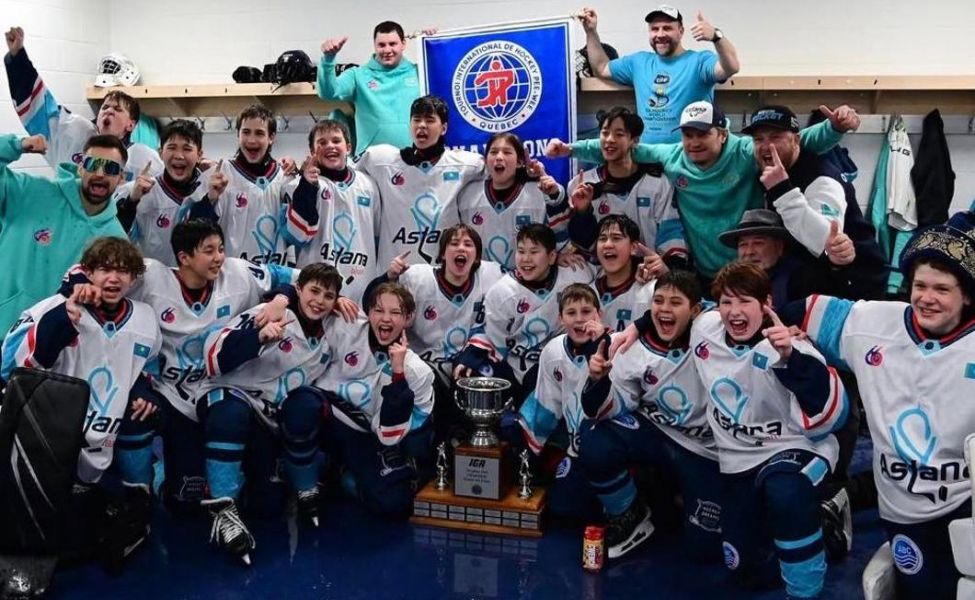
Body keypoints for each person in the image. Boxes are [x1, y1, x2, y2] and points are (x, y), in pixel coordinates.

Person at [784, 211, 975, 600]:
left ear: (968, 295)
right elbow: (795, 311)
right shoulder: (872, 322)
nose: (927, 298)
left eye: (942, 289)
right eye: (920, 286)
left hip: (967, 502)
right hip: (904, 508)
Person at [58, 220, 297, 517]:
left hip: (213, 386)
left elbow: (294, 277)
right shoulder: (152, 278)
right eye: (209, 251)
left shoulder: (237, 273)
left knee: (215, 480)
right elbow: (82, 270)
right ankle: (139, 494)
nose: (219, 257)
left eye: (221, 248)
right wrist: (77, 285)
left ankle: (228, 486)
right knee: (178, 493)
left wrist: (281, 299)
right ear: (184, 257)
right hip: (168, 393)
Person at [550, 101, 860, 281]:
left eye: (702, 134)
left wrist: (834, 128)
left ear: (722, 134)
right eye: (688, 135)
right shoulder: (672, 156)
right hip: (701, 271)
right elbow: (619, 147)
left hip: (752, 269)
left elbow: (798, 141)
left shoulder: (746, 151)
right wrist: (571, 149)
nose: (694, 142)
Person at [2, 237, 161, 568]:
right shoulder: (53, 308)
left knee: (143, 417)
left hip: (102, 429)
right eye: (104, 269)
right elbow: (11, 369)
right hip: (47, 430)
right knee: (44, 533)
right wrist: (61, 323)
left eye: (123, 271)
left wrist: (144, 390)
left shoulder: (145, 318)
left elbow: (147, 365)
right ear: (87, 272)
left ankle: (135, 500)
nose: (113, 278)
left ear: (134, 277)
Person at [694, 262, 848, 599]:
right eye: (726, 302)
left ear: (767, 303)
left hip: (796, 449)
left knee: (786, 493)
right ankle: (823, 519)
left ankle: (804, 592)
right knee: (746, 570)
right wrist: (640, 325)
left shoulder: (791, 347)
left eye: (745, 301)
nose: (734, 311)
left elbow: (836, 415)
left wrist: (792, 359)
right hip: (738, 461)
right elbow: (684, 308)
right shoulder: (705, 327)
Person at [199, 263, 342, 563]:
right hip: (230, 396)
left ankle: (295, 484)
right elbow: (212, 356)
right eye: (314, 291)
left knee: (268, 506)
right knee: (230, 414)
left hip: (269, 417)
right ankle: (222, 508)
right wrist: (258, 338)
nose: (319, 301)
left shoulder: (331, 331)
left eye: (328, 296)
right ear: (298, 290)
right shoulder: (271, 312)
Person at [579, 270, 721, 561]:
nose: (665, 309)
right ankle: (629, 513)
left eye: (675, 302)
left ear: (696, 310)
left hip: (706, 450)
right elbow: (604, 409)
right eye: (658, 301)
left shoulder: (715, 336)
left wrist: (639, 323)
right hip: (658, 434)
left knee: (704, 551)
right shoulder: (631, 346)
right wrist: (597, 381)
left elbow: (724, 311)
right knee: (595, 438)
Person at [365, 224, 504, 444]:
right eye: (454, 243)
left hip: (464, 361)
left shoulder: (491, 276)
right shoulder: (416, 278)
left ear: (477, 257)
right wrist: (388, 276)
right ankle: (441, 445)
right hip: (423, 363)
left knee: (493, 378)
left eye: (468, 244)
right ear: (442, 254)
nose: (461, 248)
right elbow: (372, 303)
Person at [312, 282, 436, 520]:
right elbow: (301, 300)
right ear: (368, 312)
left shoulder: (417, 371)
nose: (385, 318)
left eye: (395, 312)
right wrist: (330, 302)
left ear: (408, 318)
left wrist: (398, 375)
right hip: (331, 417)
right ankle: (309, 477)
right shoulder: (344, 324)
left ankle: (344, 475)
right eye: (378, 310)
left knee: (394, 503)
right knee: (303, 405)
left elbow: (390, 434)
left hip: (374, 437)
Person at [744, 104, 888, 300]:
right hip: (812, 279)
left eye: (775, 137)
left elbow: (826, 240)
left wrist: (781, 190)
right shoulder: (770, 172)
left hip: (856, 286)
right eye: (758, 139)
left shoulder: (822, 179)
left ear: (796, 140)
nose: (766, 145)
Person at [0, 132, 129, 338]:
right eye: (93, 164)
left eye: (111, 168)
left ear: (121, 177)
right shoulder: (31, 192)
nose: (100, 173)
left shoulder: (116, 240)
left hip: (49, 346)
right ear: (80, 167)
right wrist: (16, 145)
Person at [457, 224, 593, 404]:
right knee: (474, 376)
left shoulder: (575, 275)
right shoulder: (502, 292)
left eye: (534, 252)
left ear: (552, 256)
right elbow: (494, 343)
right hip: (512, 366)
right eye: (521, 251)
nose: (526, 259)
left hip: (556, 363)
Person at [4, 26, 162, 179]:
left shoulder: (143, 157)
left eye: (117, 109)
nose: (109, 111)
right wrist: (17, 58)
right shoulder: (76, 131)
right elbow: (41, 107)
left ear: (130, 125)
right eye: (105, 107)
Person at [576, 5, 739, 143]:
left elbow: (731, 67)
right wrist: (591, 31)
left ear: (681, 31)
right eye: (655, 29)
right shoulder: (638, 62)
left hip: (687, 159)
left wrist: (716, 36)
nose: (660, 34)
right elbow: (601, 67)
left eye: (667, 28)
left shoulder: (699, 61)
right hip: (647, 158)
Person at [356, 95, 483, 269]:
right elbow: (347, 176)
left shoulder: (467, 164)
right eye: (417, 120)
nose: (422, 125)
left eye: (430, 120)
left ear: (444, 128)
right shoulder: (381, 160)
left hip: (443, 276)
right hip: (394, 276)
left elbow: (501, 174)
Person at [516, 284, 609, 519]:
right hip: (575, 445)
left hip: (609, 441)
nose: (579, 319)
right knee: (562, 508)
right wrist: (531, 453)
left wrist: (595, 345)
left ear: (599, 315)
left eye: (586, 311)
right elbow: (547, 406)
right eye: (571, 313)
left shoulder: (615, 345)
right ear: (560, 319)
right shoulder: (553, 350)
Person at [191, 104, 312, 266]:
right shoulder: (219, 174)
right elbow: (194, 232)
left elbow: (300, 231)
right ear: (238, 135)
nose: (252, 140)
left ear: (271, 137)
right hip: (232, 275)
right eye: (246, 132)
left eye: (259, 133)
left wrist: (302, 177)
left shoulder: (285, 176)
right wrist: (210, 199)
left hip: (275, 275)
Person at [565, 106, 685, 267]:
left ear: (634, 140)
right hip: (601, 272)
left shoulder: (658, 183)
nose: (609, 139)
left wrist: (666, 268)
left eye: (619, 134)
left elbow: (671, 234)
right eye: (605, 133)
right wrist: (583, 212)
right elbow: (583, 245)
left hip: (648, 271)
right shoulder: (581, 185)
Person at [286, 119, 381, 301]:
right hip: (316, 290)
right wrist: (307, 186)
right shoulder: (297, 186)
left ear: (349, 148)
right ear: (312, 151)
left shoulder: (369, 185)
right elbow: (299, 236)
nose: (330, 146)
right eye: (322, 142)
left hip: (361, 287)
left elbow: (377, 238)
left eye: (336, 141)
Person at [457, 132, 569, 271]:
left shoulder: (539, 191)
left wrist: (559, 254)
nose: (499, 157)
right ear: (485, 161)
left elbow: (560, 229)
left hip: (528, 277)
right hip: (481, 278)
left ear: (519, 162)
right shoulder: (468, 194)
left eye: (507, 152)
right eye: (493, 152)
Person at [319, 21, 430, 156]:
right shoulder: (357, 75)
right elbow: (328, 93)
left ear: (403, 44)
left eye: (392, 44)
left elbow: (447, 78)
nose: (387, 50)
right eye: (381, 45)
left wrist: (433, 43)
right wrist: (328, 60)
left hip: (413, 159)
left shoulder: (420, 73)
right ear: (374, 46)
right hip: (370, 163)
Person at [116, 119, 212, 266]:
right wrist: (131, 202)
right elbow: (114, 239)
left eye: (187, 149)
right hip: (151, 278)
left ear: (199, 155)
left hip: (199, 278)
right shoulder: (135, 192)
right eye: (172, 148)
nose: (179, 156)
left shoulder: (212, 191)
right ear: (160, 153)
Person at [591, 215, 655, 332]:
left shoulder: (651, 291)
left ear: (634, 247)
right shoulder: (587, 292)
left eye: (616, 238)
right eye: (603, 239)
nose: (608, 245)